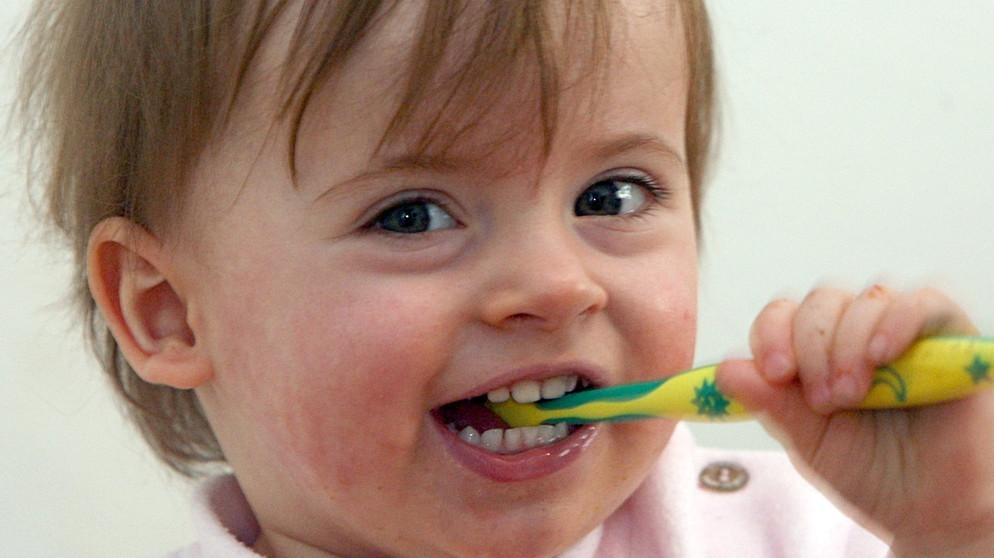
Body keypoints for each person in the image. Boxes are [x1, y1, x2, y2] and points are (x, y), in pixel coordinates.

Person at [16, 0, 992, 556]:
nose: (558, 284)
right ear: (170, 311)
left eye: (610, 195)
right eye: (412, 215)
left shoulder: (802, 535)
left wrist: (955, 524)